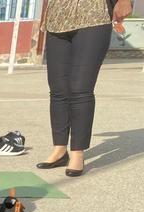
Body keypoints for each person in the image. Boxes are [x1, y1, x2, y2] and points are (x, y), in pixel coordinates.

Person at [36, 0, 132, 176]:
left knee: (81, 88)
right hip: (57, 16)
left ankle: (77, 153)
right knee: (58, 89)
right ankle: (59, 149)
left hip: (93, 15)